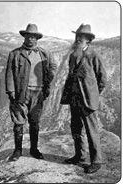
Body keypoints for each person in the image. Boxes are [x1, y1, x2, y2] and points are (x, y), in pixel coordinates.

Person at [5, 23, 56, 161]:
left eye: (34, 37)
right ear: (24, 37)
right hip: (21, 93)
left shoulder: (44, 53)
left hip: (38, 93)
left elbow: (53, 67)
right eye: (28, 36)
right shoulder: (15, 54)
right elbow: (9, 73)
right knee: (18, 122)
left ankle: (34, 149)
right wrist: (11, 91)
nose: (31, 39)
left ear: (37, 38)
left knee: (35, 122)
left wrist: (48, 80)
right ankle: (18, 151)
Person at [60, 24, 107, 174]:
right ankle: (80, 156)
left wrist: (93, 94)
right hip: (74, 98)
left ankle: (96, 161)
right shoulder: (74, 55)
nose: (78, 39)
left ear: (88, 40)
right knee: (76, 129)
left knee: (91, 131)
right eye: (77, 37)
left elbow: (102, 79)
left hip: (88, 100)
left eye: (82, 37)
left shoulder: (94, 56)